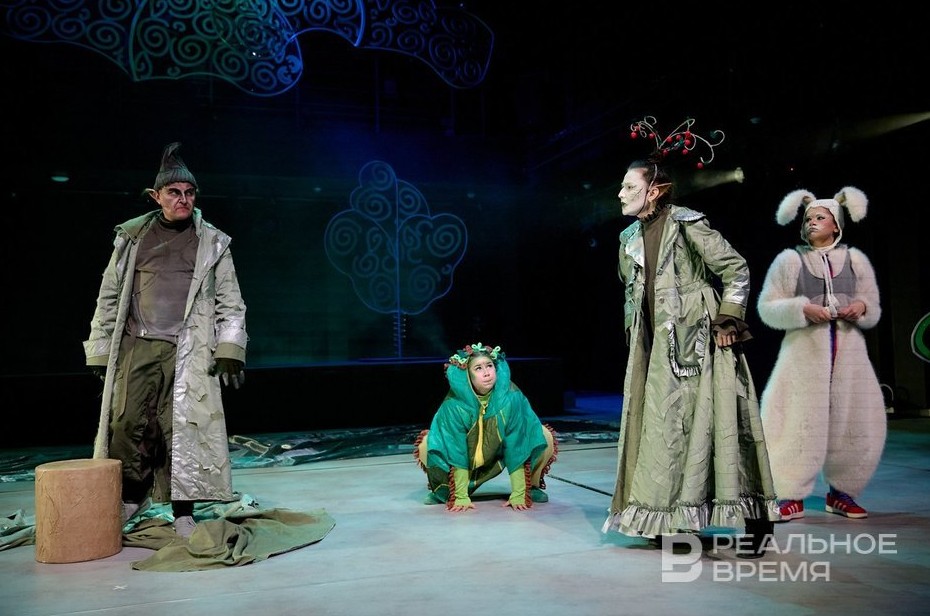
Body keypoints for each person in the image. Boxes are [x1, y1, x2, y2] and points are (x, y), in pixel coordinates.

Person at [601, 117, 778, 558]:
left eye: (629, 186)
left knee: (720, 426)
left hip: (698, 344)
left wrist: (727, 320)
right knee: (662, 435)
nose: (620, 193)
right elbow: (633, 294)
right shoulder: (628, 238)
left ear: (654, 190)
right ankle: (671, 522)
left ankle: (756, 521)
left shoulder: (687, 224)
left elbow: (735, 269)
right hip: (654, 350)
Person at [83, 142, 248, 538]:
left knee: (183, 429)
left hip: (189, 349)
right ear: (156, 196)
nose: (183, 199)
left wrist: (230, 348)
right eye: (174, 192)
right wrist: (100, 350)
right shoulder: (132, 238)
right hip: (137, 345)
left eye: (189, 193)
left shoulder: (212, 242)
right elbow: (109, 295)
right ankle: (131, 497)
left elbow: (230, 299)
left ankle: (183, 510)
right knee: (127, 423)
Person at [758, 186, 886, 522]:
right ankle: (790, 494)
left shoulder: (855, 260)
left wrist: (861, 307)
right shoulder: (790, 260)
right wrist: (802, 309)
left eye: (820, 218)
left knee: (852, 421)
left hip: (848, 355)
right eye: (808, 219)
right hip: (803, 355)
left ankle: (842, 493)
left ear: (836, 225)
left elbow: (871, 303)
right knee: (795, 423)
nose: (812, 223)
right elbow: (767, 307)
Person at [414, 342, 558, 511]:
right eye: (478, 368)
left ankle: (529, 487)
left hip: (498, 452)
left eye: (489, 366)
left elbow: (517, 444)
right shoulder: (453, 405)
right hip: (467, 457)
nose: (487, 373)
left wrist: (519, 494)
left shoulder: (511, 398)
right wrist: (460, 496)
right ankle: (446, 490)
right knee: (427, 443)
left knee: (543, 435)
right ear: (468, 375)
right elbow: (456, 450)